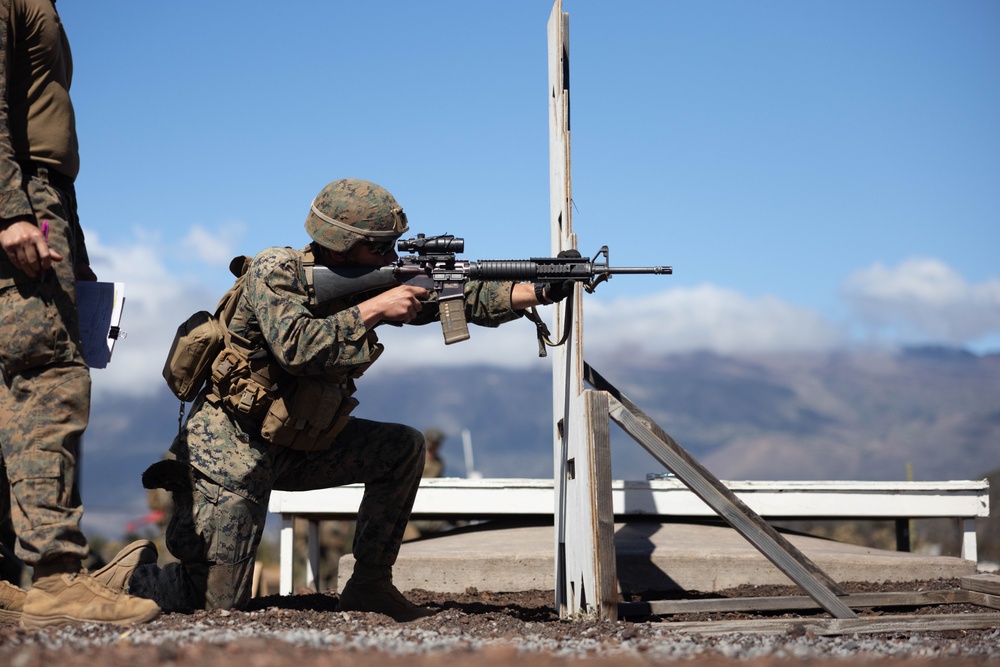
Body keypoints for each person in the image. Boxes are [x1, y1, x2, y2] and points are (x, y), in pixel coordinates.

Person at [102, 178, 572, 622]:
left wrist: (533, 290)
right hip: (232, 453)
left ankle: (370, 583)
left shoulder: (376, 277)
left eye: (392, 246)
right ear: (338, 243)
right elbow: (298, 346)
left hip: (296, 444)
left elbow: (459, 294)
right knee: (215, 604)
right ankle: (131, 576)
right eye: (378, 247)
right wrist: (375, 310)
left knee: (401, 449)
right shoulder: (275, 270)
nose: (389, 256)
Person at [0, 0, 160, 627]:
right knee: (46, 379)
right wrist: (12, 210)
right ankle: (59, 577)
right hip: (23, 193)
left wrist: (75, 249)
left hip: (38, 195)